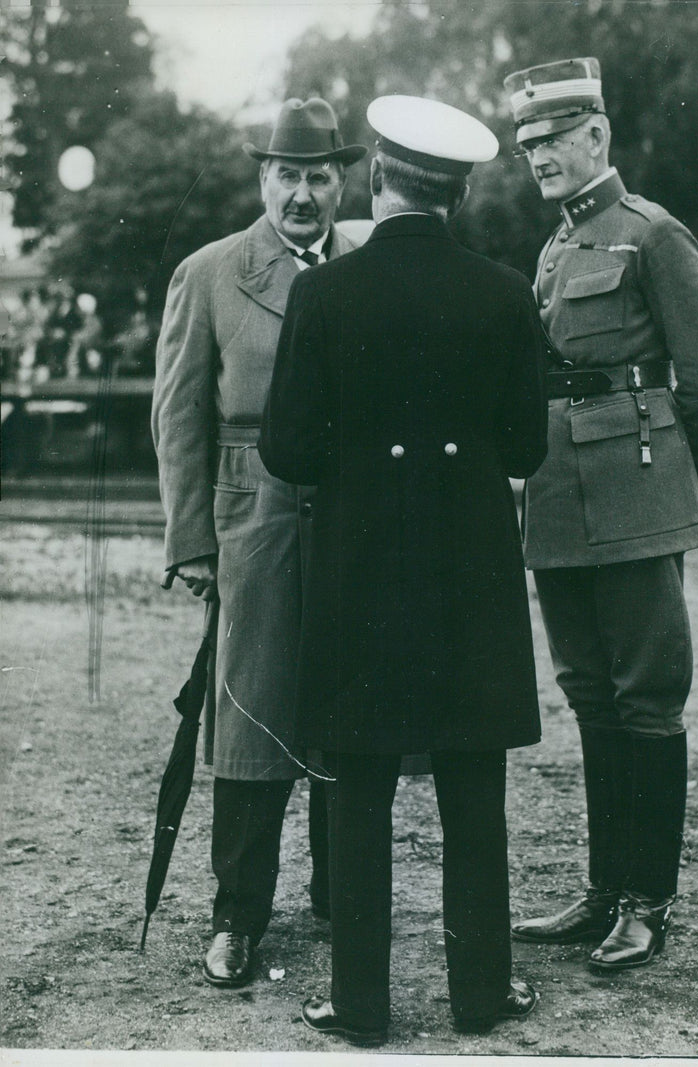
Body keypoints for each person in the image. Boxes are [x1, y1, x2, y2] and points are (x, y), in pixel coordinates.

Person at [259, 94, 548, 1045]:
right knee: (473, 780)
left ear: (376, 180)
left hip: (361, 568)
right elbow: (526, 447)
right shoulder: (506, 292)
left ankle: (362, 1001)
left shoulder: (323, 292)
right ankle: (481, 992)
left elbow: (289, 451)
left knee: (361, 780)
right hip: (470, 569)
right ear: (458, 195)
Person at [503, 58, 698, 970]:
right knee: (591, 693)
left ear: (597, 134)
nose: (540, 158)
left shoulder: (653, 235)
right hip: (560, 499)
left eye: (555, 138)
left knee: (647, 696)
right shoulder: (556, 248)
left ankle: (649, 898)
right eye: (529, 145)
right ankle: (605, 890)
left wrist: (682, 497)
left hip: (639, 498)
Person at [151, 98, 366, 988]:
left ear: (343, 180)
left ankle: (339, 893)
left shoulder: (364, 266)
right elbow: (178, 416)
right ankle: (239, 914)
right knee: (249, 711)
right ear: (262, 178)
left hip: (354, 513)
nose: (305, 193)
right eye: (288, 174)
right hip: (254, 516)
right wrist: (193, 540)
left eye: (320, 175)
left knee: (349, 703)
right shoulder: (209, 273)